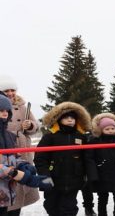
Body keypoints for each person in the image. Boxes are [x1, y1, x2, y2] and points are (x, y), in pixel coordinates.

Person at [34, 102, 91, 216]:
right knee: (51, 205)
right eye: (66, 117)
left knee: (69, 208)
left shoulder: (81, 137)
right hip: (52, 179)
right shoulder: (50, 137)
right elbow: (40, 158)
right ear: (59, 119)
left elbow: (87, 158)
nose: (70, 120)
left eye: (73, 118)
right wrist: (45, 177)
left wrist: (86, 176)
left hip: (74, 179)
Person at [0, 94, 53, 216]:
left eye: (7, 110)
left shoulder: (8, 135)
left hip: (5, 193)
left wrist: (23, 165)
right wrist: (21, 176)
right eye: (1, 110)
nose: (5, 113)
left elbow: (12, 156)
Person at [0, 75, 40, 216]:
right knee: (9, 181)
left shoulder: (23, 107)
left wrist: (30, 125)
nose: (10, 93)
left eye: (13, 90)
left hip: (21, 151)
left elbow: (36, 128)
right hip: (5, 151)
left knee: (19, 185)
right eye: (6, 90)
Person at [86, 113, 115, 216]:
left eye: (112, 128)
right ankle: (102, 214)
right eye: (107, 129)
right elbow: (89, 158)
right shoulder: (94, 141)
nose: (110, 130)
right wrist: (93, 175)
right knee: (102, 197)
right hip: (102, 174)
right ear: (100, 129)